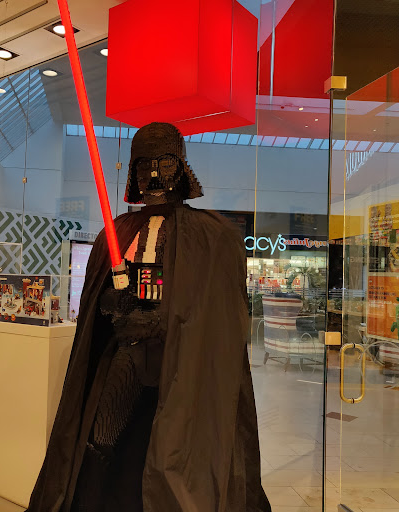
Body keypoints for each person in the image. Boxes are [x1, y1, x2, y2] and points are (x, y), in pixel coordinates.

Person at [27, 122, 271, 512]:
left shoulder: (214, 236)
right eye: (144, 166)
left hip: (183, 364)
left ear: (182, 169)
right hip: (129, 354)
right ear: (133, 174)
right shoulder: (118, 232)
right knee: (101, 436)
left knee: (177, 447)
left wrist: (166, 320)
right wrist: (113, 303)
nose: (154, 175)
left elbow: (219, 317)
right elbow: (95, 311)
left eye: (164, 163)